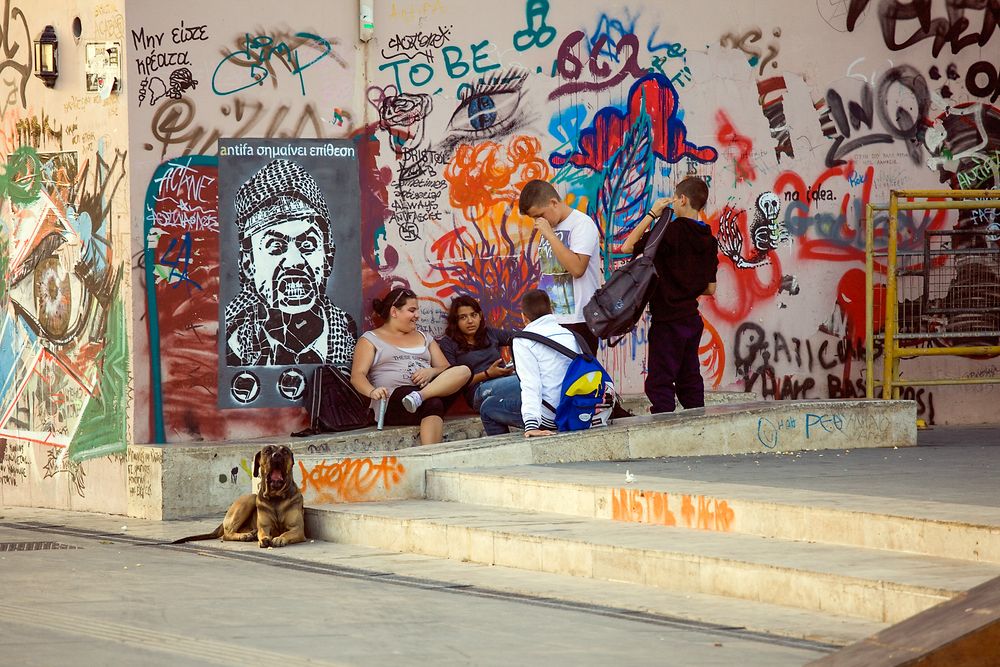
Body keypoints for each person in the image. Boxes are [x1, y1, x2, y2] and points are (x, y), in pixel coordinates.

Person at [225, 158, 356, 368]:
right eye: (276, 247)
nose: (294, 262)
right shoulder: (230, 343)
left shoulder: (352, 338)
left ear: (328, 256)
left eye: (308, 244)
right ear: (248, 264)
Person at [623, 177, 718, 413]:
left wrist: (652, 215)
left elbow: (627, 247)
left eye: (675, 199)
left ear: (682, 199)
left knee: (661, 380)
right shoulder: (709, 239)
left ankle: (662, 427)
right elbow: (710, 288)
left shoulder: (669, 232)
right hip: (691, 319)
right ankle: (698, 424)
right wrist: (687, 285)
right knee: (690, 376)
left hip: (667, 320)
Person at [350, 287, 471, 445]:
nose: (417, 316)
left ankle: (419, 397)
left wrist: (431, 372)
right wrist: (372, 391)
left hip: (427, 393)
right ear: (394, 312)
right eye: (412, 310)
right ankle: (430, 454)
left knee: (465, 370)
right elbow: (357, 376)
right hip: (393, 402)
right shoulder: (370, 339)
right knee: (433, 403)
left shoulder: (424, 337)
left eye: (417, 311)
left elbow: (446, 369)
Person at [518, 179, 602, 355]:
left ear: (553, 203)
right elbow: (548, 273)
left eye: (539, 215)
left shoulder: (581, 224)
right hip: (552, 319)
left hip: (579, 320)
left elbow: (577, 269)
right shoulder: (551, 227)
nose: (537, 221)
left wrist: (549, 235)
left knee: (579, 379)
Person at [438, 296, 521, 436]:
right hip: (478, 391)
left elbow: (521, 338)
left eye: (473, 315)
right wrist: (488, 374)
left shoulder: (489, 333)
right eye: (463, 317)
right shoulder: (448, 343)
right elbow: (452, 382)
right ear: (455, 321)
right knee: (524, 382)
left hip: (505, 382)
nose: (470, 321)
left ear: (480, 316)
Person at [512, 289, 583, 438]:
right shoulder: (570, 334)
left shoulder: (523, 340)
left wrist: (531, 425)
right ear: (551, 310)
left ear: (524, 317)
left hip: (552, 416)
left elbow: (531, 383)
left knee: (488, 407)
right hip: (577, 407)